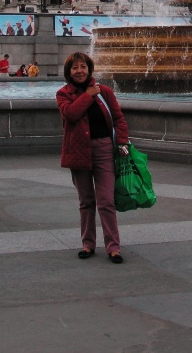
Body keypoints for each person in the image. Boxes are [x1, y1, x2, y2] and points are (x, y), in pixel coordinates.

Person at [56, 52, 129, 263]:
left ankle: (113, 247)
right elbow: (70, 114)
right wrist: (88, 95)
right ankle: (88, 244)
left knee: (106, 201)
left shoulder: (104, 92)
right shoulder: (63, 94)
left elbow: (118, 118)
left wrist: (122, 142)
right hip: (78, 151)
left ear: (90, 69)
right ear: (68, 72)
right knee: (86, 201)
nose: (79, 71)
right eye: (75, 68)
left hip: (104, 149)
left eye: (83, 67)